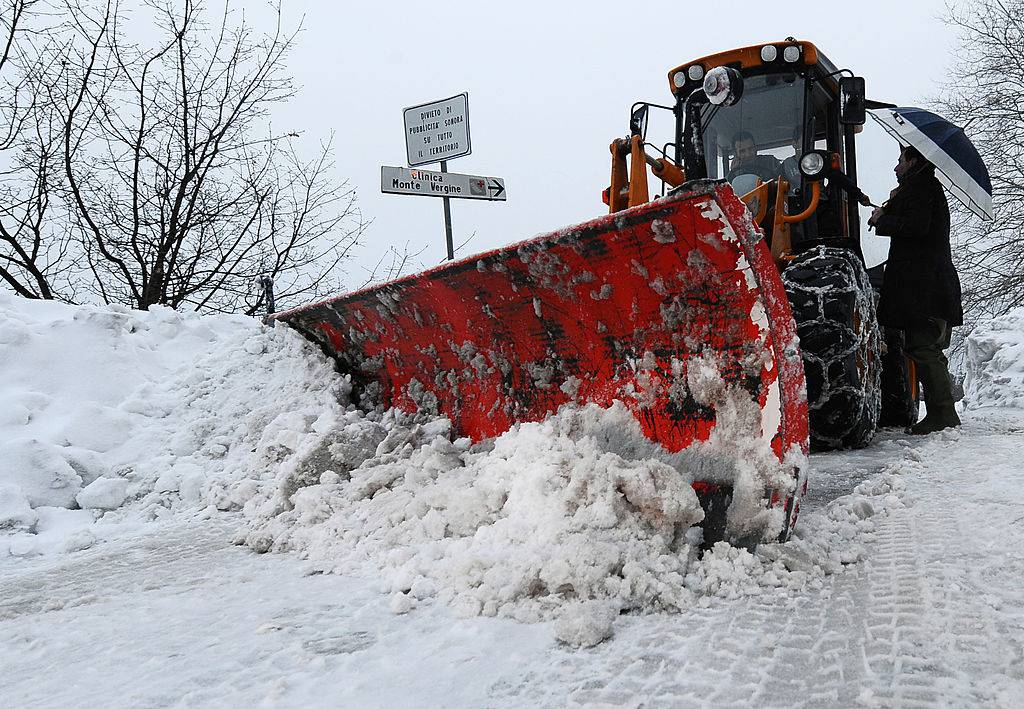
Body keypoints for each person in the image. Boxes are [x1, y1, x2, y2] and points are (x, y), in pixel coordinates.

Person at [868, 145, 963, 434]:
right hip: (927, 285)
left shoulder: (922, 188)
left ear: (914, 161)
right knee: (926, 347)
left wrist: (882, 219)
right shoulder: (921, 188)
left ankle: (943, 415)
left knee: (923, 347)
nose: (896, 167)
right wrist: (891, 206)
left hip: (925, 287)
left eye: (900, 161)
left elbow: (917, 226)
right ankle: (940, 412)